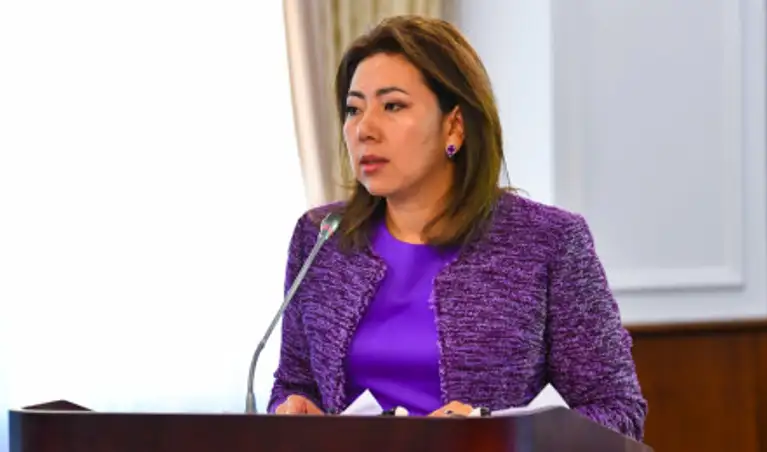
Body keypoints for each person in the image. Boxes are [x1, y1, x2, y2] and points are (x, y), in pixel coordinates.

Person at [268, 15, 647, 440]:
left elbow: (619, 411)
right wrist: (292, 407)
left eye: (393, 106)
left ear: (454, 125)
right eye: (354, 109)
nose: (364, 129)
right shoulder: (320, 237)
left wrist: (493, 433)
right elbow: (295, 383)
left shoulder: (548, 242)